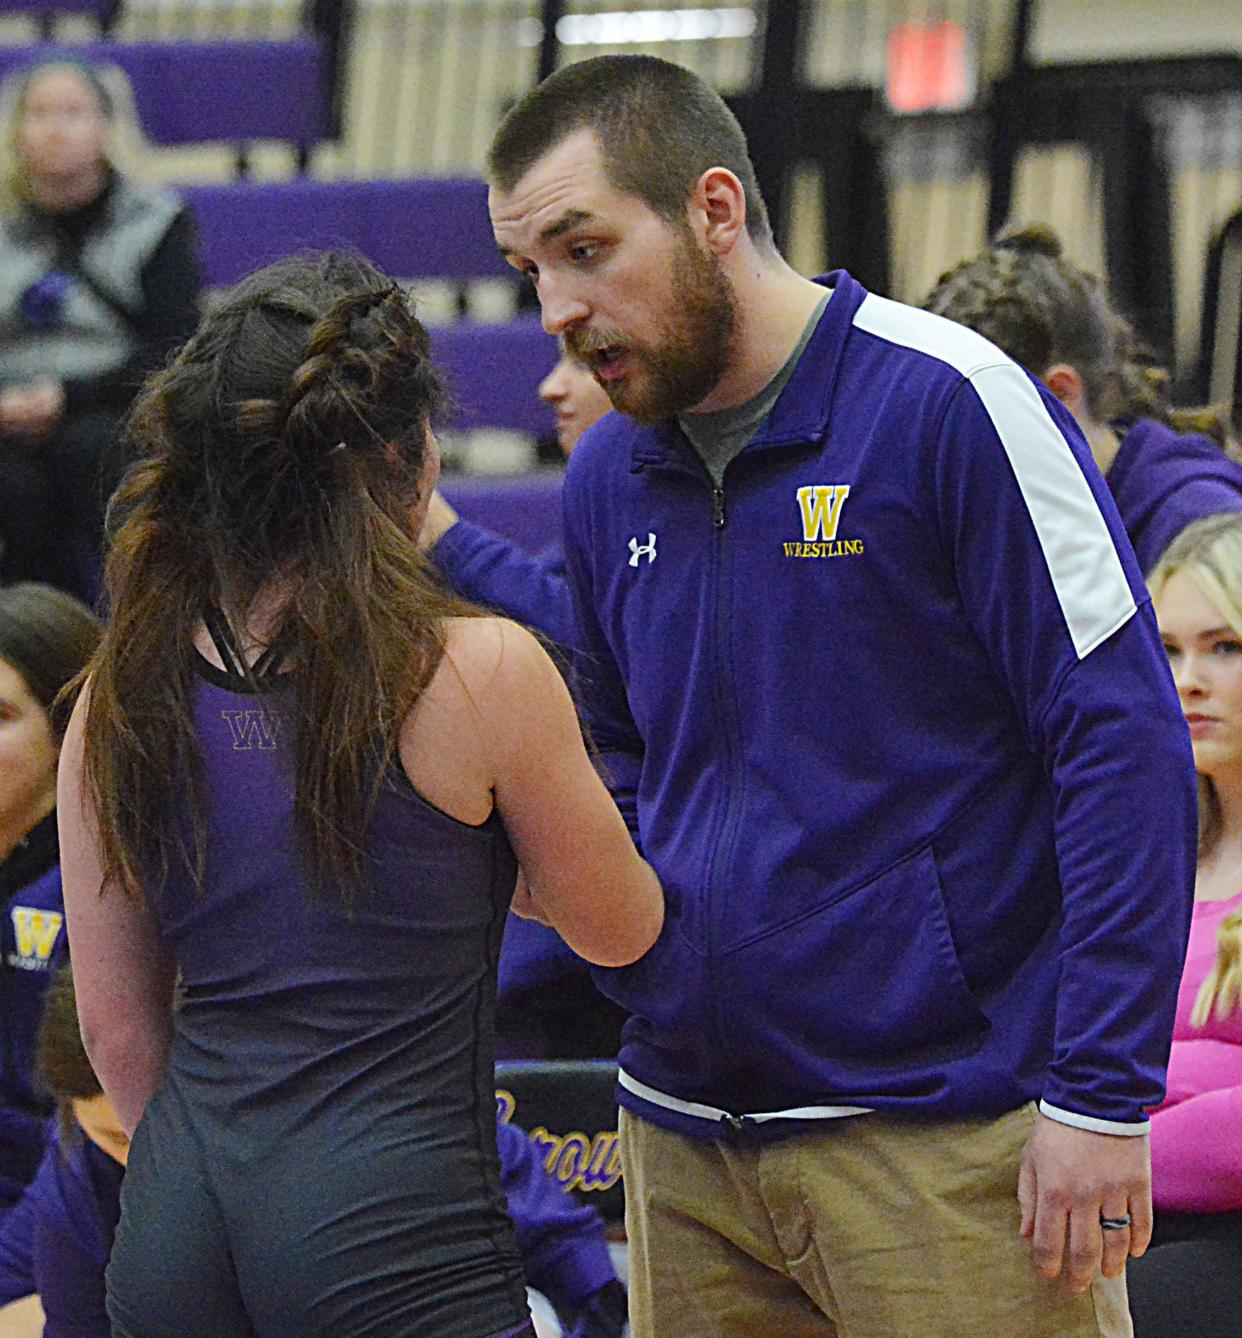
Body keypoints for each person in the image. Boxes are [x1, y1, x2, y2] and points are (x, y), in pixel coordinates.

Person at [486, 53, 1196, 1338]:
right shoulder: (603, 484)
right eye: (531, 271)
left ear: (713, 208)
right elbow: (621, 769)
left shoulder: (954, 404)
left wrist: (1101, 1094)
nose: (557, 309)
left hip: (952, 1140)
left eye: (584, 249)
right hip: (683, 1147)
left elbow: (1124, 745)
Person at [56, 251, 662, 1337]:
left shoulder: (117, 688)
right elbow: (618, 929)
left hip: (179, 1222)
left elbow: (113, 1031)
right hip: (392, 1222)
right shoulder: (480, 670)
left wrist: (213, 1187)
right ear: (411, 460)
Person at [0, 964, 628, 1338]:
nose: (145, 1162)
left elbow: (572, 1270)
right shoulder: (78, 1178)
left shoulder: (373, 1108)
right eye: (115, 1137)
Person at [422, 340, 624, 1060]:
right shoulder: (605, 509)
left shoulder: (678, 511)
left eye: (581, 361)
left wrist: (440, 532)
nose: (548, 387)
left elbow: (593, 646)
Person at [923, 226, 1242, 575]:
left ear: (1059, 396)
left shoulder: (1199, 529)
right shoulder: (1012, 527)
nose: (954, 460)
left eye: (966, 424)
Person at [0, 58, 202, 592]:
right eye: (39, 114)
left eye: (73, 112)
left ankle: (130, 622)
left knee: (90, 454)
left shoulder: (156, 222)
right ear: (15, 130)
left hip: (113, 407)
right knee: (10, 483)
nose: (56, 128)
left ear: (107, 128)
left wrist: (67, 397)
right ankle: (34, 645)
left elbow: (176, 350)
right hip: (6, 407)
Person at [1125, 512, 1242, 1338]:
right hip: (1120, 1214)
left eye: (1225, 648)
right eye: (1167, 650)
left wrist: (1114, 1134)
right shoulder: (1144, 843)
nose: (1190, 680)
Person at [0, 583, 100, 1212]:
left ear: (67, 734)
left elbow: (88, 1147)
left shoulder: (92, 899)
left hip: (47, 1220)